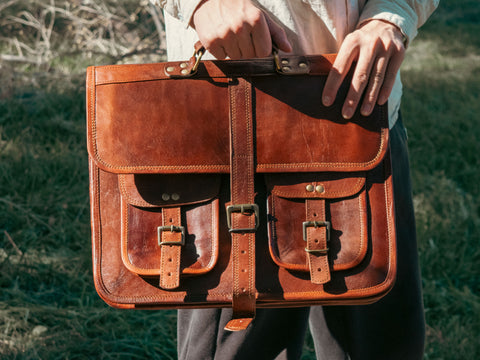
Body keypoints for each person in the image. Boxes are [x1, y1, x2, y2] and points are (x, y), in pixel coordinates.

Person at [150, 1, 439, 359]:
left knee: (379, 344)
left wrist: (392, 15)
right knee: (237, 349)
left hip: (360, 113)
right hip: (233, 123)